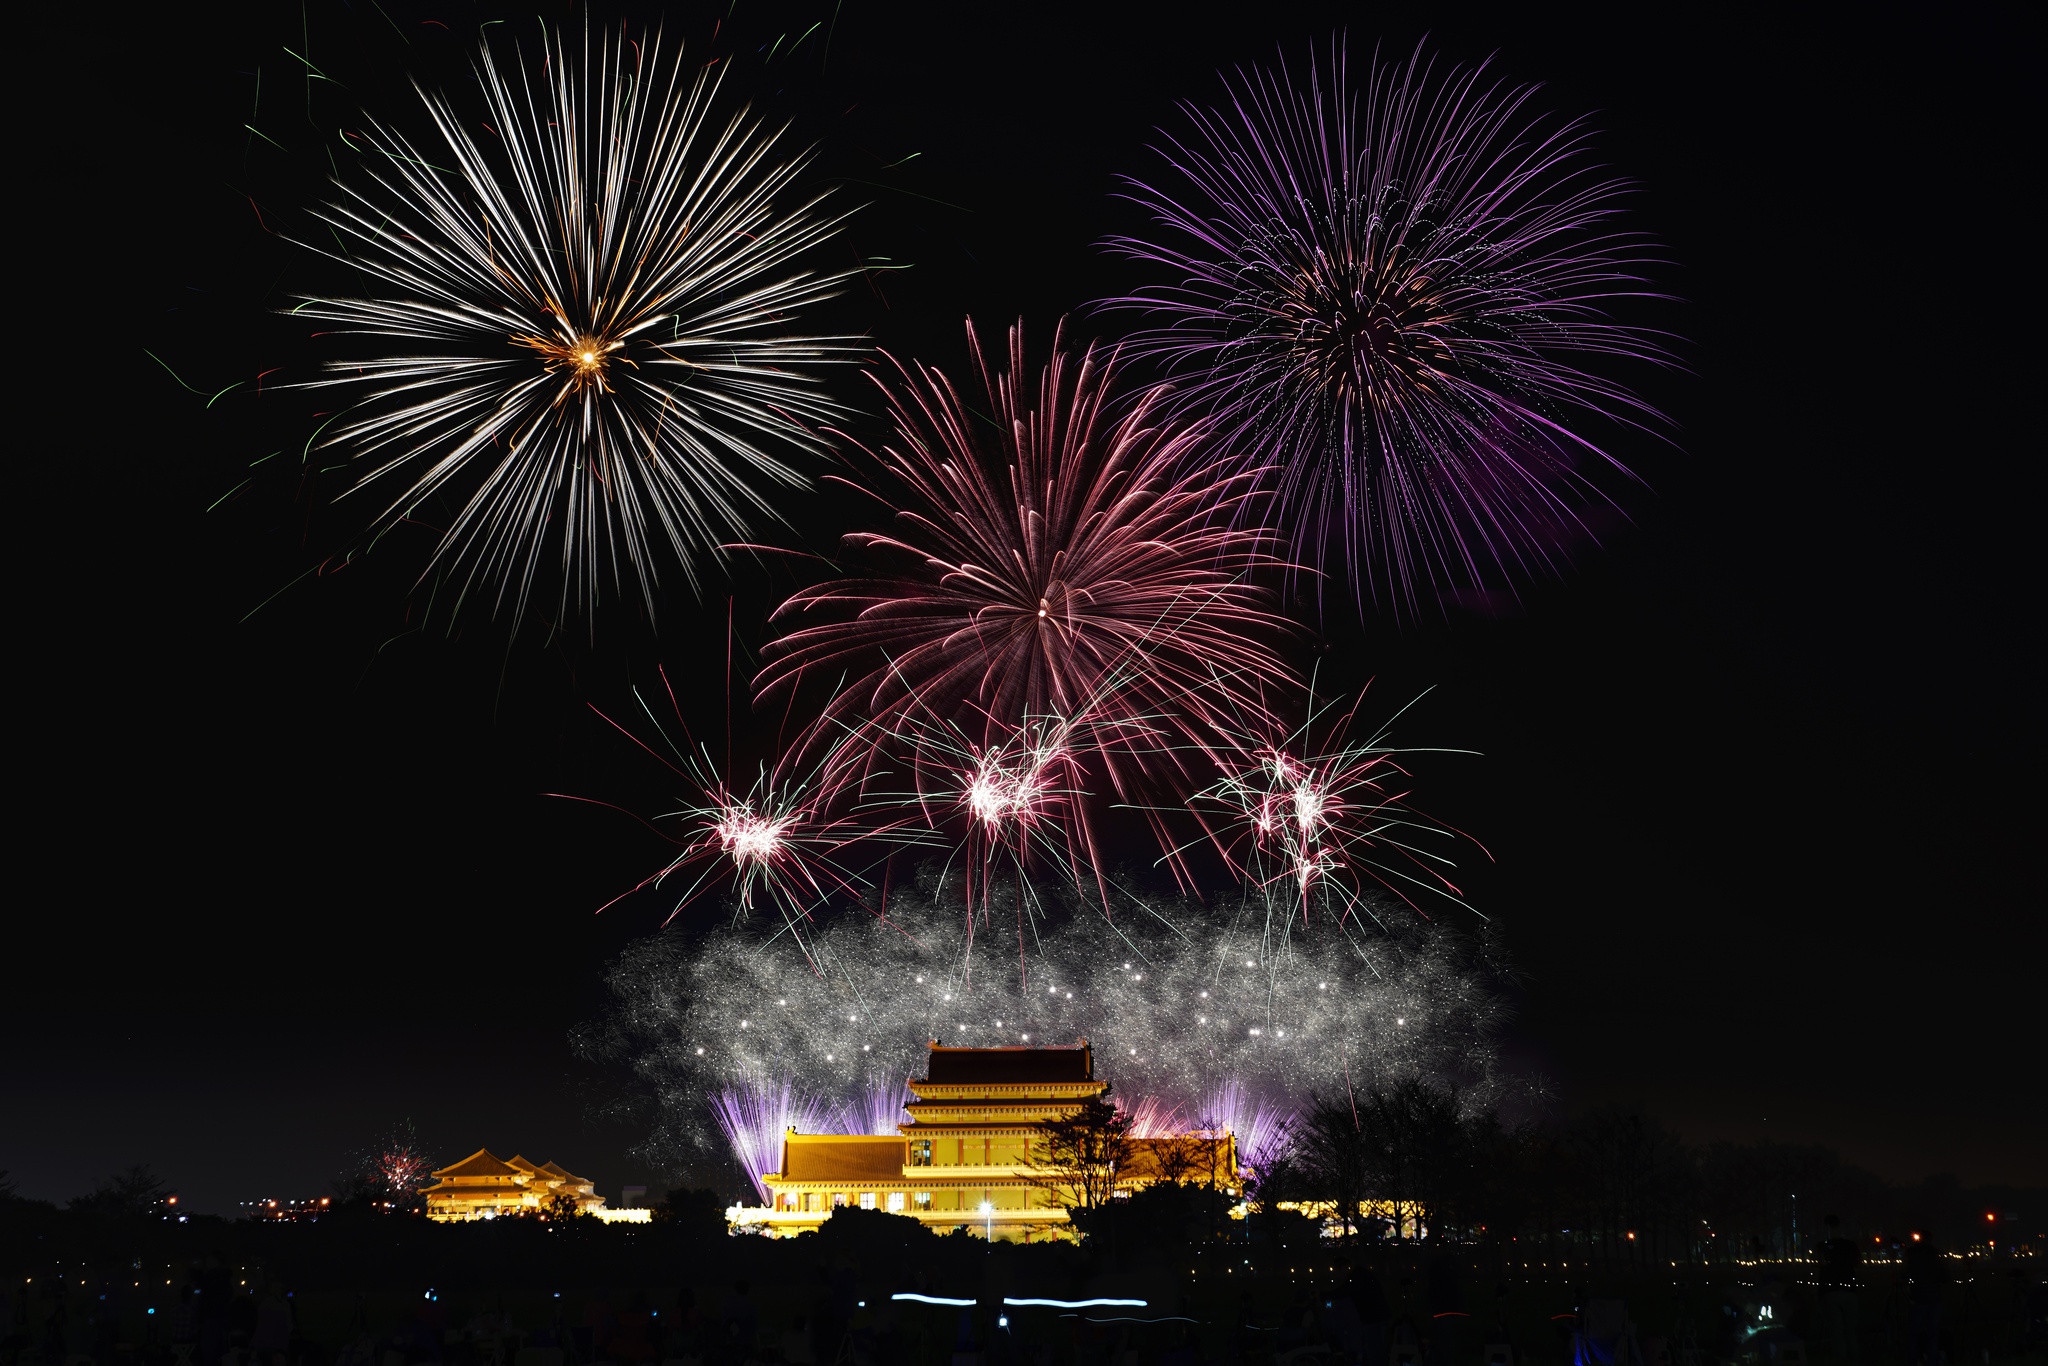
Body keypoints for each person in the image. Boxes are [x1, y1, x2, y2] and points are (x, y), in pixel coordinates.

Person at [1904, 1232, 1944, 1366]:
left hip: (1918, 1298)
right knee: (1933, 1335)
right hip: (1934, 1298)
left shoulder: (1913, 1254)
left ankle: (1913, 1361)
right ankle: (1932, 1361)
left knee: (1913, 1334)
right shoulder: (1935, 1254)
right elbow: (1946, 1276)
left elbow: (1904, 1274)